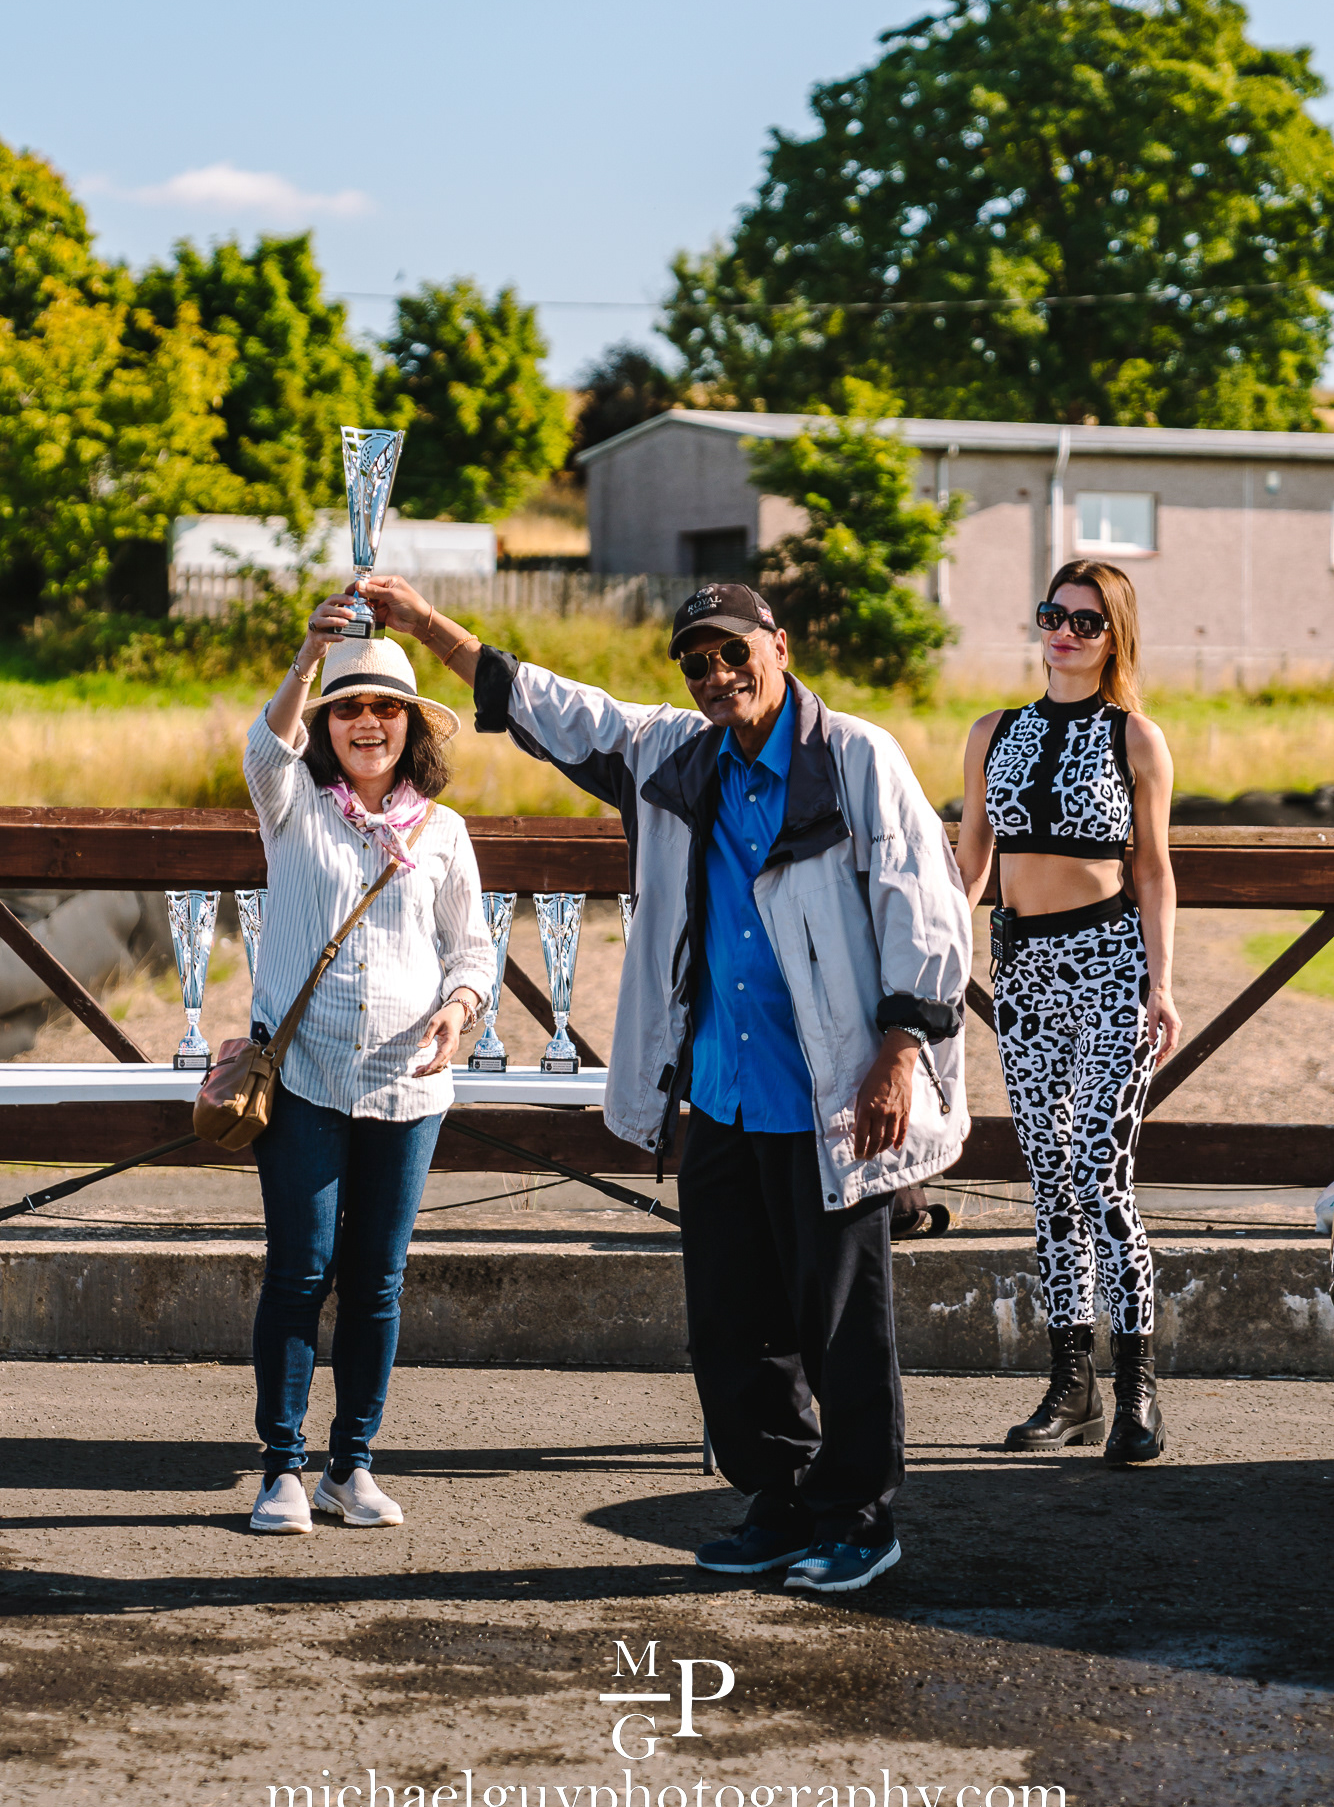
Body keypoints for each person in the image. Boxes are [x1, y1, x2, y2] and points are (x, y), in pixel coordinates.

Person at [360, 574, 972, 1595]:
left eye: (733, 651)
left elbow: (927, 906)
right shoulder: (672, 755)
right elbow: (548, 704)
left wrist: (900, 1051)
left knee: (840, 1325)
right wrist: (424, 626)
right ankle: (778, 1500)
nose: (717, 673)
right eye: (696, 661)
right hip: (721, 1092)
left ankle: (859, 1521)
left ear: (779, 645)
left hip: (829, 1095)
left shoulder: (854, 756)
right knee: (733, 1324)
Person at [242, 607, 495, 1535]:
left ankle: (353, 1464)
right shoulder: (293, 807)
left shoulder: (444, 832)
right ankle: (282, 1468)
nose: (368, 723)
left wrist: (459, 1008)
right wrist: (312, 652)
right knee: (299, 1273)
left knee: (378, 1281)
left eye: (387, 708)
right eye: (349, 708)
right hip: (304, 1076)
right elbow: (264, 752)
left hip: (409, 1083)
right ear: (328, 723)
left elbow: (474, 949)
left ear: (412, 725)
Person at [954, 559, 1181, 1464]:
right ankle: (1071, 1390)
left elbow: (1155, 870)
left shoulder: (1137, 738)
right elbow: (972, 862)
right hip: (1024, 974)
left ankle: (1136, 1392)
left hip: (1112, 967)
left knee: (1098, 1174)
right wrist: (931, 957)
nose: (1065, 633)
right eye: (1055, 614)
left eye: (1086, 622)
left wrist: (1162, 984)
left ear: (1113, 637)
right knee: (1049, 1182)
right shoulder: (993, 732)